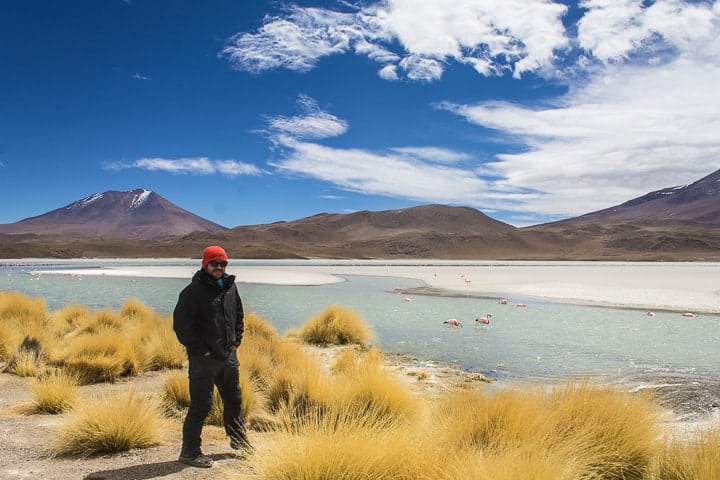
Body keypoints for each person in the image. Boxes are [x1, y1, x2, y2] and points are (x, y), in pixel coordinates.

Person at [173, 245, 252, 468]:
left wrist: (236, 340)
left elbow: (238, 314)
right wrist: (200, 349)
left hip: (228, 357)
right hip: (204, 360)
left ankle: (238, 440)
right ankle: (189, 451)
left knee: (234, 399)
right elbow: (181, 325)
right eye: (214, 263)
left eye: (222, 263)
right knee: (202, 405)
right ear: (205, 264)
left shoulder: (229, 287)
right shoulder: (193, 291)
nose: (219, 267)